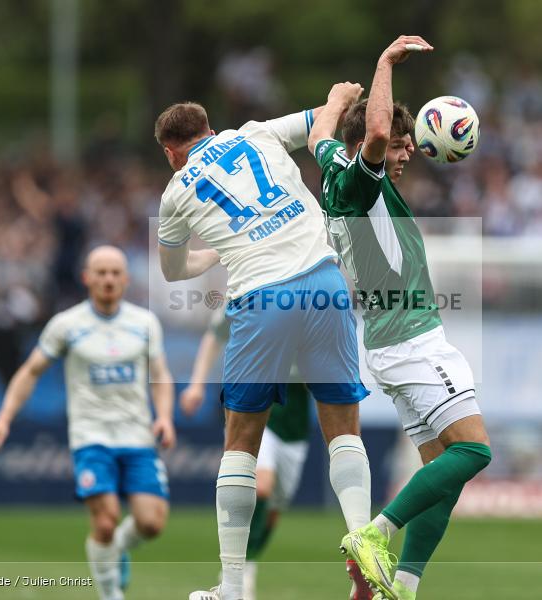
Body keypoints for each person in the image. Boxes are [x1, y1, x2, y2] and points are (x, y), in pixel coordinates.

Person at [154, 88, 373, 600]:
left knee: (241, 442)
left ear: (170, 152)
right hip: (325, 283)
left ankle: (231, 587)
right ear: (209, 128)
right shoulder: (257, 132)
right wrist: (340, 96)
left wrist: (210, 257)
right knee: (343, 429)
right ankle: (366, 555)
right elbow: (324, 118)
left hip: (261, 298)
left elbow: (171, 271)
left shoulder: (175, 194)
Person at [308, 36, 492, 600]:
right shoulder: (364, 182)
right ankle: (375, 534)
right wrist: (384, 64)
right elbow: (379, 133)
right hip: (411, 338)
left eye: (413, 143)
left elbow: (318, 136)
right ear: (368, 144)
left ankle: (404, 586)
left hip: (389, 341)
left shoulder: (334, 169)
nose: (406, 151)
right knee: (474, 452)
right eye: (401, 144)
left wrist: (336, 102)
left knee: (442, 470)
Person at [0, 246, 176, 600]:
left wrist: (164, 416)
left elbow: (160, 375)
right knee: (104, 520)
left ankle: (118, 549)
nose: (108, 279)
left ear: (126, 279)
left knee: (151, 523)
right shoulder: (67, 325)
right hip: (91, 436)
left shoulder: (144, 324)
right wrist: (3, 419)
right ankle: (111, 595)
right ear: (86, 278)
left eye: (115, 272)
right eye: (101, 272)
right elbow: (30, 371)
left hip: (137, 435)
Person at [181, 309, 312, 600]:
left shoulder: (310, 299)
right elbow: (215, 335)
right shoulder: (246, 287)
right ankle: (237, 577)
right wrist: (196, 384)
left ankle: (247, 563)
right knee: (261, 486)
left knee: (275, 510)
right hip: (255, 410)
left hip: (295, 423)